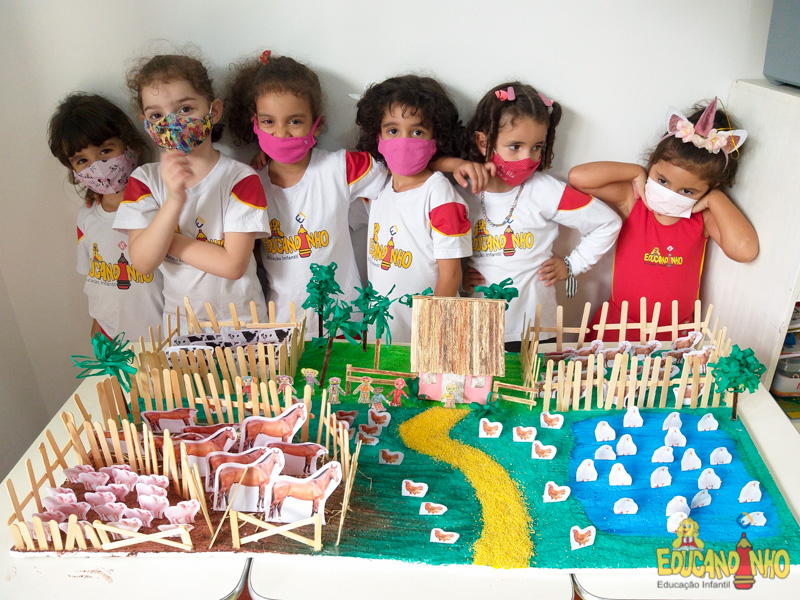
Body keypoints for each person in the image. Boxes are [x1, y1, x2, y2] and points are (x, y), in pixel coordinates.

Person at [226, 52, 487, 338]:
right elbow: (250, 253)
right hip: (285, 328)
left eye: (294, 121)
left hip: (349, 326)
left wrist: (450, 163)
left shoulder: (344, 168)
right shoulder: (250, 183)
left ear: (316, 124)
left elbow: (402, 168)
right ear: (255, 123)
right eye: (268, 122)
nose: (281, 133)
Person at [568, 98, 758, 340]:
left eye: (687, 191)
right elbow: (578, 178)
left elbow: (745, 251)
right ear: (652, 163)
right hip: (617, 328)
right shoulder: (635, 200)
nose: (670, 193)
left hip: (674, 337)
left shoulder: (703, 218)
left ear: (709, 188)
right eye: (663, 180)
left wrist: (715, 198)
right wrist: (636, 172)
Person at [114, 53, 269, 331]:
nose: (171, 123)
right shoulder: (144, 180)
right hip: (182, 328)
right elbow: (142, 263)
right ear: (146, 123)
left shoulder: (241, 178)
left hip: (244, 324)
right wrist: (174, 201)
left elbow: (233, 266)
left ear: (214, 111)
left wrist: (163, 239)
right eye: (156, 115)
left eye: (185, 109)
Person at [461, 82, 621, 350]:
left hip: (536, 328)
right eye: (515, 146)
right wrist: (459, 274)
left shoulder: (546, 191)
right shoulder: (461, 191)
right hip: (477, 327)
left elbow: (607, 222)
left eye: (537, 147)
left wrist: (572, 264)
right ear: (484, 142)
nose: (528, 158)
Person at [356, 74, 474, 343]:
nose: (404, 141)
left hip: (427, 337)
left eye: (417, 132)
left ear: (436, 138)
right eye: (393, 130)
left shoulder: (440, 194)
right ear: (378, 135)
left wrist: (431, 334)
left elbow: (451, 274)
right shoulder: (379, 187)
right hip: (380, 334)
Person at [48, 93, 164, 340]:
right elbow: (96, 280)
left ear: (130, 146)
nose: (97, 166)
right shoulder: (86, 217)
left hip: (166, 340)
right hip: (113, 342)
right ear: (73, 170)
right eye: (82, 160)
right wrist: (97, 327)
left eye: (105, 151)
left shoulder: (160, 205)